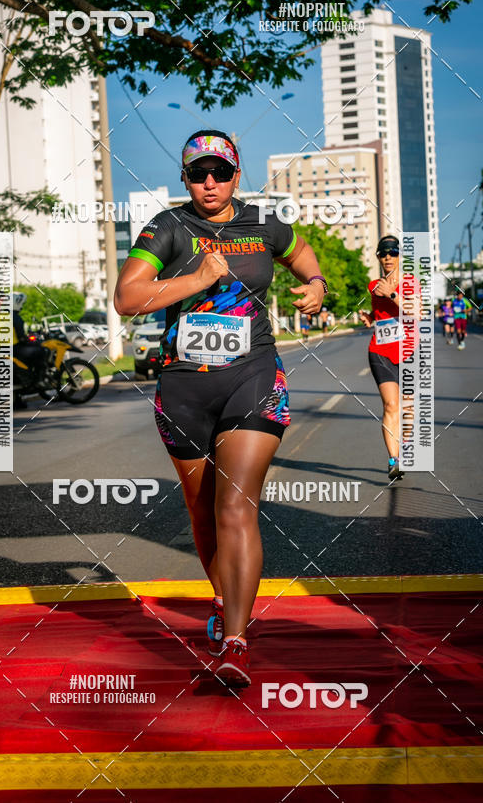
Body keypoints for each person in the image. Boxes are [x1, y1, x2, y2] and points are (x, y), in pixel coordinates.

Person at [114, 129, 327, 688]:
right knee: (203, 513)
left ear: (237, 174)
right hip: (184, 388)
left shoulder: (263, 225)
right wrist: (197, 277)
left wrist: (317, 282)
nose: (210, 183)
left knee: (236, 507)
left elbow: (301, 252)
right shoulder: (166, 228)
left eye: (221, 172)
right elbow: (127, 298)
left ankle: (235, 641)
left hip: (253, 376)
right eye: (197, 174)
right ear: (184, 178)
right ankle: (223, 596)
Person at [359, 235, 418, 482]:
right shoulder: (374, 285)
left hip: (409, 352)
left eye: (392, 253)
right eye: (383, 253)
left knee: (407, 409)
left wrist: (393, 294)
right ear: (378, 257)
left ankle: (404, 447)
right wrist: (370, 317)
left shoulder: (410, 282)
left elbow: (416, 312)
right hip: (380, 351)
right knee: (391, 406)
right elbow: (382, 314)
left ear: (398, 256)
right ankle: (394, 461)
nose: (388, 258)